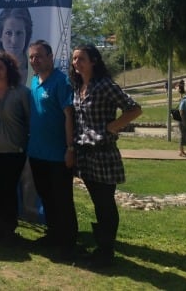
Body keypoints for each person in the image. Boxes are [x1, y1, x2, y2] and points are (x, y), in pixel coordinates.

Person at [69, 44, 142, 268]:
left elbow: (134, 108)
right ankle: (102, 247)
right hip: (85, 154)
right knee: (97, 202)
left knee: (105, 204)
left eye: (81, 59)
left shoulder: (105, 85)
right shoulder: (79, 86)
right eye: (74, 59)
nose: (76, 63)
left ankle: (106, 251)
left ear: (94, 61)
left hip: (103, 154)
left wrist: (113, 127)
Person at [27, 40, 78, 258]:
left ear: (50, 57)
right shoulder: (34, 82)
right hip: (37, 152)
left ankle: (68, 241)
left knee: (62, 198)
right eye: (31, 57)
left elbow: (69, 116)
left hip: (58, 154)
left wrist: (70, 148)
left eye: (38, 56)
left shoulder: (62, 81)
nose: (34, 61)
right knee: (46, 196)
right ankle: (53, 234)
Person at [0, 50, 30, 241]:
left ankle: (9, 227)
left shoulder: (22, 93)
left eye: (0, 68)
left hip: (13, 150)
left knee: (9, 189)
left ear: (9, 68)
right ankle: (2, 223)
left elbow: (29, 120)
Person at [0, 7, 33, 85]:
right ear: (0, 36)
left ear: (27, 36)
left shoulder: (38, 68)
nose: (14, 41)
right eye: (8, 33)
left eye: (19, 33)